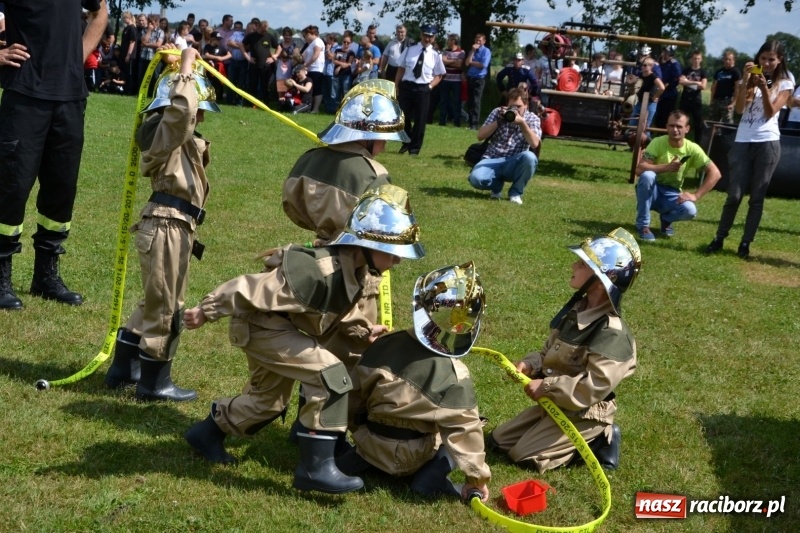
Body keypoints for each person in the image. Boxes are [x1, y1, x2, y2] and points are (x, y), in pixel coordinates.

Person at [182, 184, 425, 496]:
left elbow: (335, 312)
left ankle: (205, 434)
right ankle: (316, 468)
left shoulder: (356, 270)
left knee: (267, 402)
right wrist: (206, 311)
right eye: (393, 253)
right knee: (330, 374)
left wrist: (364, 333)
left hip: (278, 328)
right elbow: (249, 288)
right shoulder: (320, 269)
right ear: (367, 243)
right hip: (261, 327)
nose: (398, 262)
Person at [102, 48, 221, 400]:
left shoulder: (171, 133)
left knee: (154, 300)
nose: (200, 116)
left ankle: (124, 368)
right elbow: (181, 111)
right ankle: (155, 383)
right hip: (167, 226)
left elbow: (183, 114)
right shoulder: (165, 131)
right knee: (167, 307)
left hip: (172, 225)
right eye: (198, 108)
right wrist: (186, 67)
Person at [489, 228, 641, 472]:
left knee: (525, 457)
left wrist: (547, 386)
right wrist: (531, 365)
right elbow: (548, 352)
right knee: (498, 441)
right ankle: (551, 432)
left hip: (585, 412)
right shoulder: (575, 312)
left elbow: (594, 387)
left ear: (601, 282)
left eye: (581, 264)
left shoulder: (612, 333)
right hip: (558, 403)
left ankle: (600, 438)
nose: (573, 265)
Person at [337, 261, 491, 502]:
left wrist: (359, 434)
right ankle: (432, 475)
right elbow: (465, 433)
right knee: (474, 423)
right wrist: (477, 480)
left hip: (370, 446)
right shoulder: (455, 374)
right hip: (413, 456)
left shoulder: (382, 345)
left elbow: (354, 399)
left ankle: (359, 461)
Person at [0, 0, 107, 311]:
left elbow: (99, 10)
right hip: (25, 95)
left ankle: (46, 276)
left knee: (62, 189)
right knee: (12, 187)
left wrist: (78, 56)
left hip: (70, 98)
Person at [705, 41, 794, 259]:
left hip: (767, 142)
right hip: (743, 140)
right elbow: (739, 109)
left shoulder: (785, 81)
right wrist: (745, 82)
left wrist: (765, 88)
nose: (766, 63)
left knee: (756, 197)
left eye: (771, 59)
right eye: (763, 59)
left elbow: (770, 112)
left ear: (779, 59)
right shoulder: (751, 76)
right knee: (734, 194)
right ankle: (719, 238)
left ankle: (745, 243)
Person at [634, 110, 722, 241]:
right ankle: (643, 225)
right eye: (671, 125)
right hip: (653, 190)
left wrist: (696, 195)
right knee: (647, 176)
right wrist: (666, 167)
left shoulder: (692, 149)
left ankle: (666, 219)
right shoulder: (657, 142)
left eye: (679, 126)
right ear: (666, 126)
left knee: (690, 211)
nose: (674, 129)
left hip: (672, 193)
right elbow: (639, 169)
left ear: (687, 129)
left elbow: (715, 173)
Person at [467, 88, 541, 205]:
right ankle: (497, 186)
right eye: (512, 106)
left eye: (519, 106)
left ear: (526, 105)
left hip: (514, 162)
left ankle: (515, 193)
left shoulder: (532, 118)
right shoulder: (498, 112)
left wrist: (522, 123)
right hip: (492, 158)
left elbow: (534, 143)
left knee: (530, 157)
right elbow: (480, 136)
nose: (515, 110)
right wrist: (499, 121)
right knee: (475, 179)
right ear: (507, 105)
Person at [394, 24, 445, 156]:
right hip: (407, 86)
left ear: (433, 38)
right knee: (401, 117)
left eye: (430, 36)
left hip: (423, 88)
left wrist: (430, 87)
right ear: (421, 35)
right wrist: (396, 84)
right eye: (425, 35)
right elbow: (401, 68)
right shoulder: (410, 49)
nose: (427, 39)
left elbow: (439, 75)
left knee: (420, 120)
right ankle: (407, 140)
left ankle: (414, 149)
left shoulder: (435, 55)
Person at [242, 19, 278, 106]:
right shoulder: (251, 36)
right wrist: (247, 57)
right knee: (252, 85)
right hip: (254, 64)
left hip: (265, 65)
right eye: (263, 30)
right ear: (258, 27)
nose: (264, 32)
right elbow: (241, 45)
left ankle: (265, 104)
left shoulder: (269, 36)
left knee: (264, 86)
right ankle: (250, 104)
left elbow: (278, 47)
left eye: (266, 30)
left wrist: (274, 57)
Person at [628, 58, 665, 136]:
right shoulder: (640, 76)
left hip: (650, 104)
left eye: (645, 65)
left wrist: (655, 97)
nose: (642, 67)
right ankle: (632, 144)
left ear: (651, 66)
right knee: (632, 124)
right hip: (639, 103)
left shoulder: (653, 76)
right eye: (642, 65)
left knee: (646, 126)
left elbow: (662, 87)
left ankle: (646, 145)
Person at [678, 50, 708, 143]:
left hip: (696, 100)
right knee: (682, 120)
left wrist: (687, 82)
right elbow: (681, 81)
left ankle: (697, 143)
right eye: (694, 58)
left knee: (698, 123)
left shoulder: (703, 72)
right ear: (691, 59)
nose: (696, 60)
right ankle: (680, 140)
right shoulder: (686, 70)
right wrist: (695, 83)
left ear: (701, 59)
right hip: (685, 99)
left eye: (698, 59)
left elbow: (703, 86)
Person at [465, 33, 491, 129]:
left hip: (479, 79)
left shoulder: (486, 51)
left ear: (484, 41)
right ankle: (470, 122)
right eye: (476, 40)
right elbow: (467, 63)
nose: (478, 42)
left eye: (480, 40)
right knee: (470, 101)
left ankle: (474, 124)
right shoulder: (472, 51)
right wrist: (472, 51)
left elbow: (483, 64)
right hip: (470, 77)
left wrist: (471, 62)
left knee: (476, 101)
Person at [438, 33, 465, 127]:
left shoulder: (461, 52)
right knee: (443, 101)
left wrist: (448, 62)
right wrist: (454, 61)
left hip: (456, 81)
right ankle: (442, 122)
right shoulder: (445, 51)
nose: (447, 41)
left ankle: (457, 122)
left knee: (457, 102)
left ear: (453, 41)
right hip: (445, 80)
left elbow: (459, 65)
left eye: (449, 39)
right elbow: (443, 62)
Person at [708, 50, 741, 125]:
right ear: (723, 60)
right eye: (726, 59)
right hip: (716, 100)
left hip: (727, 100)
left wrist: (733, 103)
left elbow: (737, 88)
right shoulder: (719, 71)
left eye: (729, 59)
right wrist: (711, 100)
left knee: (727, 123)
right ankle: (714, 136)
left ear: (733, 60)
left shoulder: (735, 72)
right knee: (712, 123)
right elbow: (714, 86)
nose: (727, 61)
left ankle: (727, 136)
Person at [654, 45, 681, 129]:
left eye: (666, 52)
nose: (663, 54)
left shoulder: (674, 63)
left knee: (666, 116)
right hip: (661, 93)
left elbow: (678, 77)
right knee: (659, 116)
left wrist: (669, 85)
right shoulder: (662, 63)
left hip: (669, 94)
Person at [301, 25, 326, 113]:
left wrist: (306, 64)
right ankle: (310, 107)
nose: (304, 38)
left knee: (317, 89)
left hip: (316, 69)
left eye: (305, 35)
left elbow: (316, 55)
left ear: (310, 34)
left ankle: (316, 108)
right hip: (310, 69)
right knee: (312, 89)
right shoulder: (310, 44)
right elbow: (303, 55)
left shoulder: (318, 42)